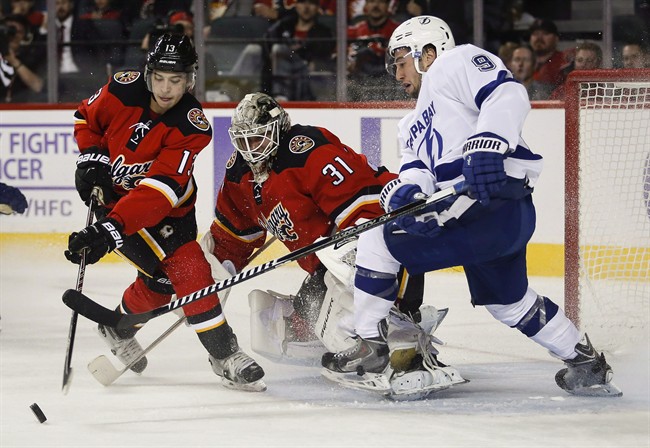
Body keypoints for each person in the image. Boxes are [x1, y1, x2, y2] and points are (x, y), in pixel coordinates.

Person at [322, 15, 622, 398]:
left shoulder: (454, 62)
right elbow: (417, 172)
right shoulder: (410, 123)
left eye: (400, 60)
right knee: (508, 302)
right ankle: (584, 361)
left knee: (377, 239)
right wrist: (404, 195)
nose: (397, 73)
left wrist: (488, 142)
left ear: (427, 52)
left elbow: (507, 94)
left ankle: (368, 343)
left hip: (490, 199)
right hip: (486, 218)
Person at [201, 92, 457, 398]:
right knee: (280, 328)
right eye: (242, 141)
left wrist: (370, 277)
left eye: (256, 140)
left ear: (278, 129)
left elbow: (366, 209)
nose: (249, 150)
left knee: (344, 292)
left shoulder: (306, 151)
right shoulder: (240, 175)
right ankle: (385, 339)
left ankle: (396, 345)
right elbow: (231, 239)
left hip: (384, 247)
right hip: (326, 268)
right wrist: (210, 281)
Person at [63, 33, 266, 392]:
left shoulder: (191, 124)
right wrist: (91, 158)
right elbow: (85, 119)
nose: (166, 89)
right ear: (147, 73)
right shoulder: (121, 90)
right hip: (117, 205)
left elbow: (161, 191)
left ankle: (119, 326)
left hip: (168, 211)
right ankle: (225, 355)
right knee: (187, 271)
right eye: (159, 78)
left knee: (168, 278)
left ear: (190, 80)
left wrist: (111, 230)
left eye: (176, 81)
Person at [262, 0, 335, 101]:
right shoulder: (283, 26)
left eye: (311, 3)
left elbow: (321, 55)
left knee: (279, 49)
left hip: (304, 70)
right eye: (302, 2)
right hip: (277, 67)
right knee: (252, 51)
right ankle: (235, 93)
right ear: (296, 6)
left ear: (317, 8)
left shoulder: (323, 32)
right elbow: (267, 42)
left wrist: (296, 51)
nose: (306, 7)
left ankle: (281, 95)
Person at [347, 0, 402, 101]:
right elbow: (341, 57)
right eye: (372, 1)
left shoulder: (399, 31)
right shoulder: (354, 30)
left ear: (387, 6)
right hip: (361, 79)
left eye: (381, 2)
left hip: (390, 79)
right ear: (366, 5)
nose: (376, 5)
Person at [0, 14, 46, 102]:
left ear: (26, 36)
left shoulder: (33, 57)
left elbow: (38, 86)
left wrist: (13, 60)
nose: (13, 35)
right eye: (10, 30)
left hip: (23, 107)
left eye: (19, 32)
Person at [528, 18, 567, 91]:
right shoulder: (523, 60)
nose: (539, 38)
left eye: (545, 33)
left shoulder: (563, 61)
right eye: (535, 34)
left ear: (556, 39)